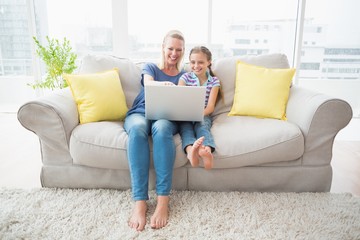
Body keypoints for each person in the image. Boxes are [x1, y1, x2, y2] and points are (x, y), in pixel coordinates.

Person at [124, 30, 186, 231]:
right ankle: (140, 202)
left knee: (161, 127)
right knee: (139, 128)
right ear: (163, 47)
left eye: (179, 49)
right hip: (140, 113)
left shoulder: (184, 75)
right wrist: (165, 84)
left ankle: (162, 202)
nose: (174, 53)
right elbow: (149, 84)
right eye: (170, 48)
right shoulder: (150, 67)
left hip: (166, 118)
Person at [178, 46, 221, 170]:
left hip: (203, 115)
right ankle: (191, 151)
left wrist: (198, 114)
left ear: (209, 62)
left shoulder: (214, 81)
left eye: (201, 62)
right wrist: (186, 114)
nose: (196, 65)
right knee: (186, 130)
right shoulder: (185, 78)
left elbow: (210, 107)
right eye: (193, 62)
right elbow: (178, 100)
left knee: (202, 127)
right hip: (185, 116)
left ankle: (205, 150)